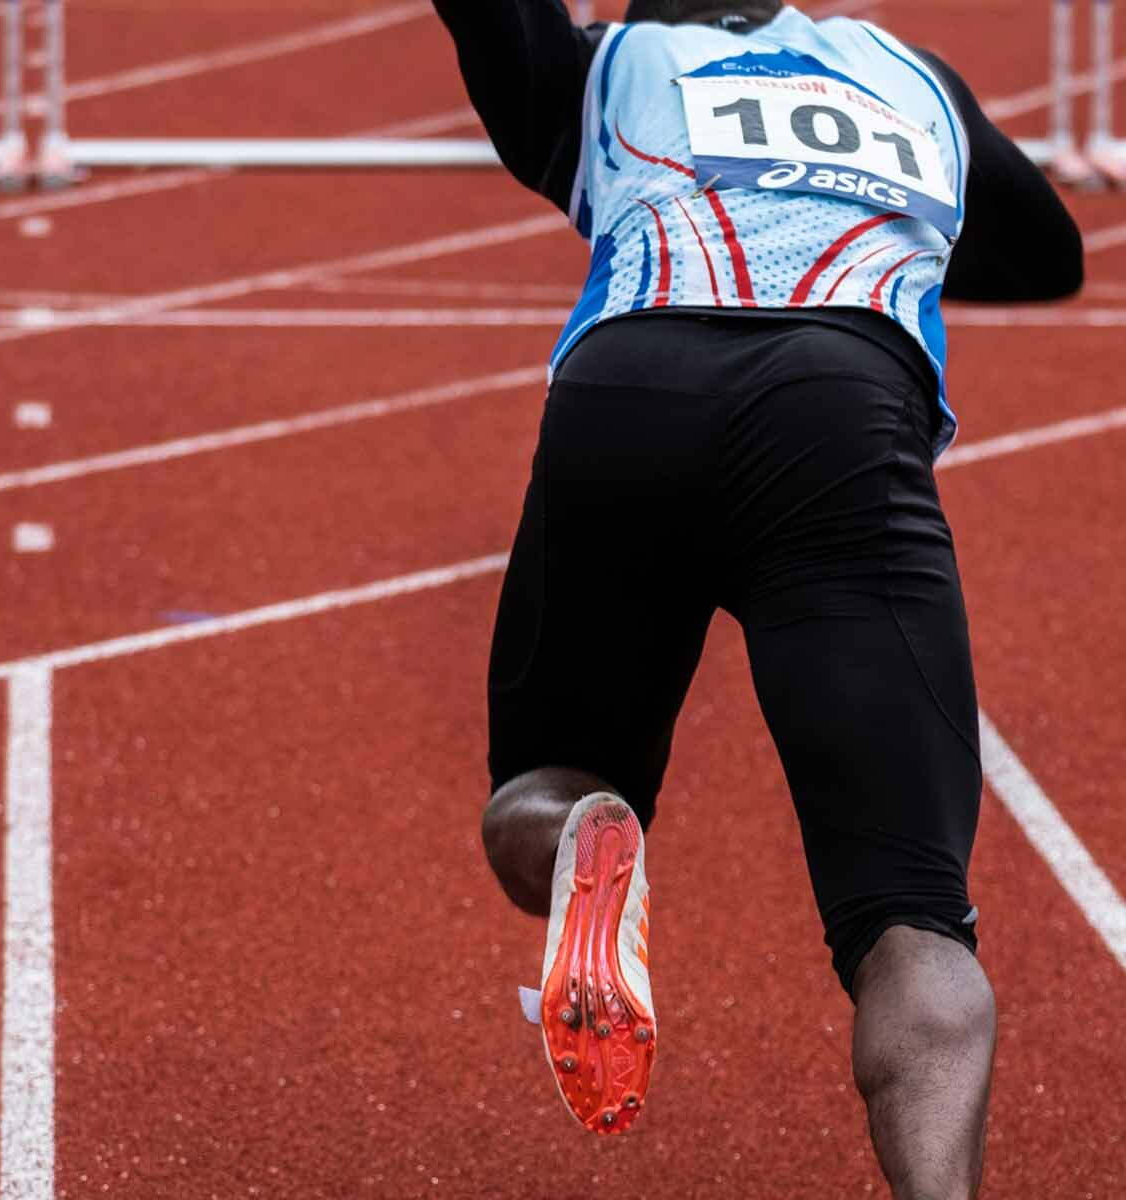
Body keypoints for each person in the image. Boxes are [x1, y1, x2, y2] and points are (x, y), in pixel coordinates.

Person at [428, 0, 1083, 1195]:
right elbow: (1048, 255)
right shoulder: (906, 71)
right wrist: (895, 222)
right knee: (910, 921)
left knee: (538, 784)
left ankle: (577, 834)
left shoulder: (595, 69)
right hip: (837, 408)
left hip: (626, 390)